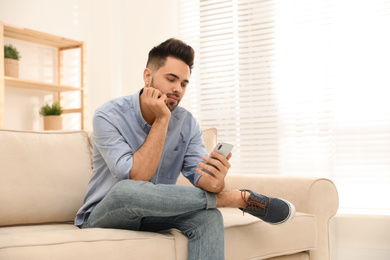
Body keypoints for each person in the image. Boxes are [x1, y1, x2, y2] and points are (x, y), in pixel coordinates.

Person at [75, 38, 295, 260]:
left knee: (209, 218)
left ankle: (228, 199)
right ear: (147, 76)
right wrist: (162, 119)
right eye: (171, 79)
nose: (177, 89)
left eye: (183, 83)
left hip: (154, 213)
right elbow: (138, 176)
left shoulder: (187, 123)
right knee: (126, 190)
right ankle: (236, 199)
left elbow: (205, 181)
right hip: (106, 213)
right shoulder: (108, 116)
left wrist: (216, 180)